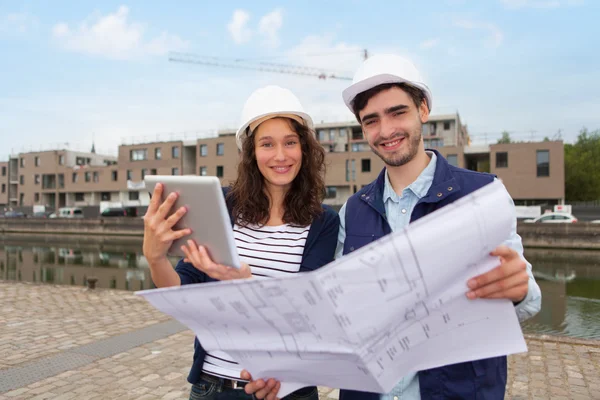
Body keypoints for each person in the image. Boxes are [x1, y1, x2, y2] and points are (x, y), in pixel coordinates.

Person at [335, 54, 542, 400]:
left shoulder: (483, 194)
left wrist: (517, 289)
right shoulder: (352, 211)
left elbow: (526, 300)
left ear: (423, 110)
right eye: (371, 121)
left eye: (397, 112)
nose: (385, 131)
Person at [142, 85, 339, 400]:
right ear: (251, 152)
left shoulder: (323, 223)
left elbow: (306, 311)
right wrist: (155, 259)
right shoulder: (223, 206)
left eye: (290, 142)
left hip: (287, 388)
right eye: (267, 144)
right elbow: (184, 288)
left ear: (304, 148)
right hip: (214, 387)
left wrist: (247, 286)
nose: (280, 155)